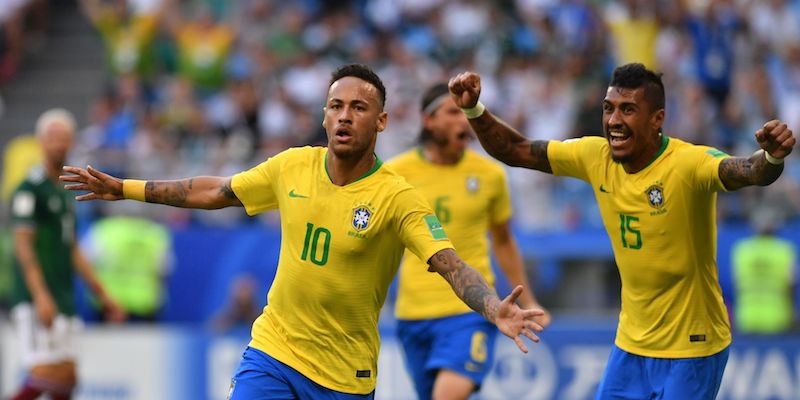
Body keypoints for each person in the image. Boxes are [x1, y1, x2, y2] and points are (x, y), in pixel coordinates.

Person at [60, 64, 545, 399]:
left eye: (358, 107)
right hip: (274, 349)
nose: (344, 115)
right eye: (336, 105)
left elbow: (450, 264)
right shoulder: (292, 166)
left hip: (345, 372)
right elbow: (215, 191)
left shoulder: (397, 195)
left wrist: (492, 305)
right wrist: (125, 187)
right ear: (324, 115)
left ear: (381, 121)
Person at [448, 63, 795, 400]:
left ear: (657, 119)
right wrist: (475, 110)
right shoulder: (594, 156)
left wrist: (773, 158)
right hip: (631, 344)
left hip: (694, 346)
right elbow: (516, 150)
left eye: (628, 110)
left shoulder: (688, 164)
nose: (614, 121)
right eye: (609, 108)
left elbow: (749, 170)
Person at [386, 83, 552, 400]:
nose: (462, 121)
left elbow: (504, 241)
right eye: (451, 112)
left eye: (465, 113)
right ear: (428, 121)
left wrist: (529, 301)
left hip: (471, 310)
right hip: (413, 314)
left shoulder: (490, 174)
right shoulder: (396, 174)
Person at [9, 108, 126, 400]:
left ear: (72, 141)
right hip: (37, 295)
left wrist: (103, 294)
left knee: (68, 378)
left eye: (64, 137)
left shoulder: (64, 189)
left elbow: (72, 247)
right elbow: (22, 245)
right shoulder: (29, 188)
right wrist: (40, 295)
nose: (58, 143)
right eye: (52, 137)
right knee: (46, 374)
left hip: (63, 294)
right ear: (40, 141)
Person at [82, 215, 173, 322]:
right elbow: (165, 269)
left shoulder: (104, 230)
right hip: (145, 305)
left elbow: (85, 262)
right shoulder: (156, 234)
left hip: (110, 304)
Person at [731, 208, 797, 334]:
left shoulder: (742, 250)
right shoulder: (784, 250)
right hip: (777, 318)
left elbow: (737, 284)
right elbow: (791, 286)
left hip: (747, 317)